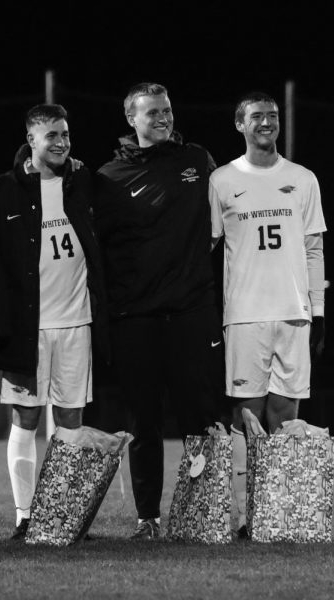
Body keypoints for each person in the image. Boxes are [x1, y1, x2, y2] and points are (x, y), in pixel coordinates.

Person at [93, 82, 222, 539]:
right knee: (142, 423)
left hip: (191, 313)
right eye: (153, 112)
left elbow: (222, 222)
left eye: (167, 109)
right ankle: (147, 519)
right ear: (131, 118)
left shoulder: (197, 160)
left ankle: (201, 516)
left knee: (199, 420)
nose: (164, 118)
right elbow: (99, 249)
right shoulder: (109, 177)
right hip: (136, 319)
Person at [0, 104, 106, 540]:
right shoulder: (4, 190)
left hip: (76, 323)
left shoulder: (84, 183)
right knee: (27, 417)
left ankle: (63, 517)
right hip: (27, 327)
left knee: (70, 421)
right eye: (51, 134)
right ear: (30, 139)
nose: (61, 142)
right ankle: (24, 516)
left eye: (66, 134)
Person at [209, 91, 326, 536]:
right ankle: (245, 517)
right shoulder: (221, 180)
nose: (266, 123)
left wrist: (318, 310)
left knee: (285, 417)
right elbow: (209, 249)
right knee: (247, 419)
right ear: (239, 124)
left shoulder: (303, 179)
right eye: (256, 116)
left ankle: (278, 516)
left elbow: (314, 249)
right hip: (244, 315)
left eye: (272, 116)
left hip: (293, 314)